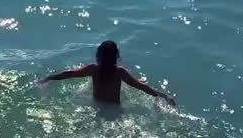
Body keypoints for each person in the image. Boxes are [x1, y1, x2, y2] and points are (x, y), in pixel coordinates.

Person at [42, 40, 176, 106]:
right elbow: (141, 87)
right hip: (115, 110)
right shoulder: (120, 72)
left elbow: (69, 74)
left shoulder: (93, 69)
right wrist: (164, 96)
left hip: (97, 106)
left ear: (98, 55)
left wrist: (48, 78)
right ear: (116, 56)